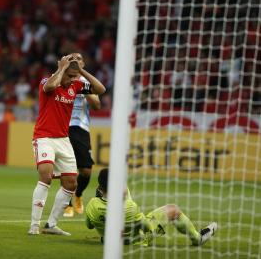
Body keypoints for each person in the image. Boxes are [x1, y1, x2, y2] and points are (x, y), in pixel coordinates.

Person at [28, 53, 106, 236]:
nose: (72, 80)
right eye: (70, 76)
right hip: (44, 137)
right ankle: (34, 225)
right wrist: (62, 68)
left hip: (63, 140)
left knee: (71, 183)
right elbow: (51, 86)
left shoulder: (77, 85)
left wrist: (81, 71)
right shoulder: (46, 82)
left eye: (74, 76)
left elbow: (100, 89)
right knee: (46, 176)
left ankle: (51, 225)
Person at [85, 168, 218, 246]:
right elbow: (146, 227)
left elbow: (89, 226)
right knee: (174, 210)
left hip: (108, 239)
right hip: (136, 240)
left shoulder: (92, 205)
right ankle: (197, 238)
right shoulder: (131, 206)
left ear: (100, 188)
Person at [64, 54, 101, 217]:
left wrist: (83, 89)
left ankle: (78, 194)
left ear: (83, 63)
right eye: (72, 58)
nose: (75, 60)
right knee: (66, 168)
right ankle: (67, 203)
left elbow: (97, 105)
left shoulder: (87, 83)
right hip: (63, 126)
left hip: (81, 128)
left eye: (79, 58)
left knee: (85, 171)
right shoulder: (62, 79)